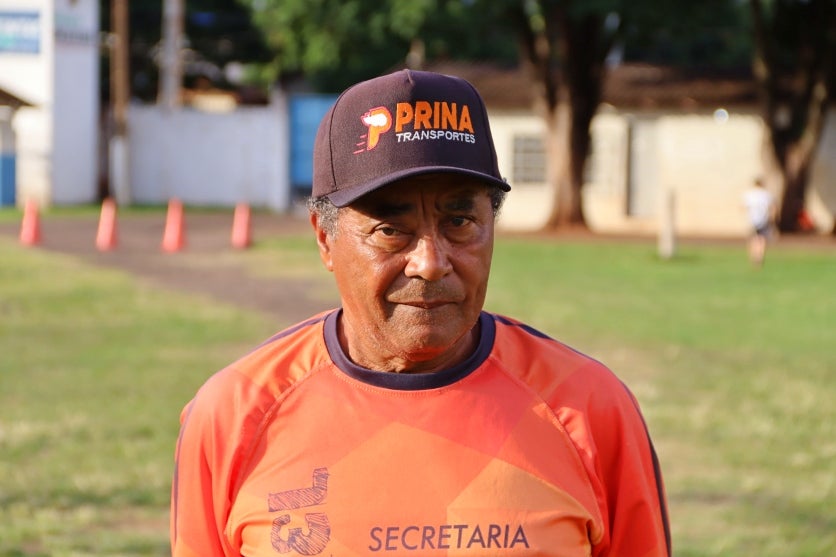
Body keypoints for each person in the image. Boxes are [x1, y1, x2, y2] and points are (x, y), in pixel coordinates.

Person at [170, 69, 671, 557]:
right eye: (391, 230)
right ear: (325, 238)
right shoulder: (234, 414)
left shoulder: (589, 407)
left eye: (460, 221)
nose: (430, 263)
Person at [742, 177, 775, 266]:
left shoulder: (749, 195)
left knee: (753, 239)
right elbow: (772, 208)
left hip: (752, 220)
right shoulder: (766, 195)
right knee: (762, 239)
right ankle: (760, 256)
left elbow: (743, 207)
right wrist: (772, 218)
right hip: (763, 220)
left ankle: (754, 256)